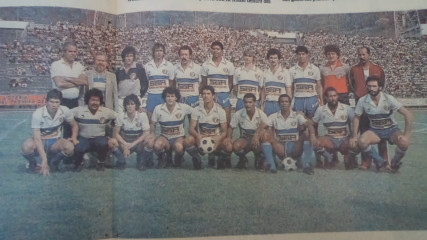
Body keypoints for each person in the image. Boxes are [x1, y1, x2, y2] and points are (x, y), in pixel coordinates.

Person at [350, 76, 412, 172]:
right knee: (361, 141)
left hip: (391, 129)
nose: (371, 89)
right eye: (369, 86)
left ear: (380, 87)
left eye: (374, 86)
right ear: (366, 86)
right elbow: (356, 117)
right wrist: (354, 136)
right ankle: (379, 161)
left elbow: (407, 114)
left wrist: (407, 135)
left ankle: (394, 163)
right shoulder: (363, 100)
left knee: (404, 143)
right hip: (375, 131)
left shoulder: (389, 98)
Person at [21, 89, 78, 176]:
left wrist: (74, 137)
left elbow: (74, 125)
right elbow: (37, 138)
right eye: (51, 102)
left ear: (60, 102)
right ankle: (33, 164)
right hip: (41, 140)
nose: (54, 105)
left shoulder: (65, 110)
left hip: (55, 141)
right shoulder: (37, 114)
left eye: (57, 102)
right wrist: (44, 159)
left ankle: (54, 163)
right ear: (46, 101)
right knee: (26, 146)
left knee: (70, 147)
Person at [350, 46, 388, 170]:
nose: (361, 57)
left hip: (377, 107)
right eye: (359, 55)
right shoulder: (354, 69)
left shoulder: (378, 69)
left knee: (381, 134)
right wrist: (358, 93)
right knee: (364, 133)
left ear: (369, 55)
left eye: (364, 54)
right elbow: (351, 84)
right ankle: (366, 161)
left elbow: (382, 84)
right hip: (362, 106)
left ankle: (384, 161)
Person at [261, 94, 315, 174]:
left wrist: (313, 135)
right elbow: (262, 125)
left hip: (295, 148)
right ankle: (271, 166)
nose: (284, 103)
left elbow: (309, 125)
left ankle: (307, 165)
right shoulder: (274, 116)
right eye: (282, 102)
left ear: (290, 104)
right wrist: (256, 135)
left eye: (286, 101)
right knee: (266, 134)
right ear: (279, 104)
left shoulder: (296, 115)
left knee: (307, 134)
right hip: (281, 148)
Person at [311, 87, 358, 169]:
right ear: (326, 97)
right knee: (316, 143)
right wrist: (313, 135)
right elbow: (313, 124)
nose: (333, 98)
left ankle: (349, 157)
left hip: (344, 139)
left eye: (335, 96)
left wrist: (353, 136)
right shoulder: (321, 110)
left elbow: (355, 121)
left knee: (357, 143)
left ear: (337, 96)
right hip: (330, 140)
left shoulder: (347, 108)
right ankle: (329, 157)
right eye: (330, 96)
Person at [72, 88, 117, 171]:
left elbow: (119, 117)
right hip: (84, 138)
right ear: (87, 100)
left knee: (104, 143)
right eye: (92, 100)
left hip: (99, 138)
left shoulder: (106, 111)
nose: (95, 103)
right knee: (78, 147)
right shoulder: (78, 110)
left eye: (97, 100)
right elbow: (66, 115)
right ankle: (79, 163)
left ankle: (100, 162)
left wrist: (113, 135)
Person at [184, 86, 228, 169]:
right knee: (187, 141)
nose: (206, 96)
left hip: (215, 138)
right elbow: (191, 128)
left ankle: (220, 160)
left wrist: (219, 138)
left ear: (213, 96)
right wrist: (197, 136)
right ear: (201, 96)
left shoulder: (220, 111)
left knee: (228, 145)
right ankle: (197, 158)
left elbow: (224, 131)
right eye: (203, 94)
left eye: (208, 94)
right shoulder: (196, 110)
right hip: (202, 137)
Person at [50, 41, 87, 138]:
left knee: (72, 128)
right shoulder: (56, 65)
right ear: (64, 52)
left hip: (75, 101)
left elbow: (83, 81)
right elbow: (59, 83)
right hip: (60, 101)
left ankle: (70, 150)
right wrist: (76, 82)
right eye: (70, 51)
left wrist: (67, 78)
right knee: (58, 128)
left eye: (75, 51)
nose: (73, 54)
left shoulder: (79, 65)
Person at [109, 94, 154, 170]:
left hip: (137, 143)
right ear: (125, 106)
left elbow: (146, 133)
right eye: (128, 104)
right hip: (125, 142)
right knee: (111, 142)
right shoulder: (121, 115)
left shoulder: (142, 115)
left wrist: (133, 144)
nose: (129, 106)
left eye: (132, 104)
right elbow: (116, 133)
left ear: (136, 106)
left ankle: (141, 162)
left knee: (150, 141)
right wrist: (125, 144)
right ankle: (121, 161)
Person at [151, 87, 192, 168]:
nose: (170, 98)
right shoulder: (158, 108)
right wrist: (152, 133)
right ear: (164, 97)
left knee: (179, 147)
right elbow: (153, 123)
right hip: (165, 136)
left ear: (176, 97)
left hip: (178, 137)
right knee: (156, 145)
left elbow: (196, 112)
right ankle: (163, 158)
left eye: (172, 96)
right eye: (168, 96)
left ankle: (178, 159)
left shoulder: (183, 107)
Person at [225, 93, 269, 169]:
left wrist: (257, 135)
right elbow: (231, 127)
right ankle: (243, 159)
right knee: (236, 146)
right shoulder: (239, 113)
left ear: (255, 103)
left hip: (257, 140)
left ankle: (259, 158)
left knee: (264, 141)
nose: (247, 104)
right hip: (245, 139)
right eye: (246, 102)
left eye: (250, 102)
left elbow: (267, 125)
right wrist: (229, 137)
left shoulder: (261, 114)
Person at [201, 41, 234, 125]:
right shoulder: (205, 65)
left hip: (224, 94)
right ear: (211, 50)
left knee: (226, 120)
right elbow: (204, 83)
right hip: (210, 95)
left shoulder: (229, 64)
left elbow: (231, 82)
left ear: (222, 51)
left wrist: (226, 92)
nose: (215, 51)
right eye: (214, 49)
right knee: (211, 118)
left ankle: (226, 137)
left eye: (218, 49)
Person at [290, 46, 323, 118]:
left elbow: (319, 86)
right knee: (299, 122)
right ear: (296, 56)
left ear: (307, 55)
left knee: (314, 121)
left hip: (311, 99)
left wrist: (322, 101)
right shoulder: (292, 70)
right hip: (298, 99)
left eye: (303, 54)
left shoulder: (315, 69)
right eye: (299, 54)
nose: (301, 56)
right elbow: (291, 88)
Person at [144, 43, 175, 120]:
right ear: (153, 52)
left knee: (165, 118)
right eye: (157, 51)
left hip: (163, 96)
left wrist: (166, 92)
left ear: (163, 52)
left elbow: (171, 81)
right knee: (151, 119)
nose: (159, 53)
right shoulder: (147, 66)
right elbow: (146, 81)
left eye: (161, 50)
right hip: (151, 96)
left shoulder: (169, 65)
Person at [115, 46, 148, 114]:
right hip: (121, 99)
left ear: (133, 57)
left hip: (134, 99)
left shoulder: (139, 68)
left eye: (131, 56)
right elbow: (116, 86)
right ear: (123, 57)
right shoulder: (118, 70)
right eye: (127, 56)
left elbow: (145, 84)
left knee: (135, 119)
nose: (129, 58)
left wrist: (138, 96)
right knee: (120, 119)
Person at [262, 48, 292, 116]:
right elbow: (263, 90)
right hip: (268, 103)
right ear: (268, 59)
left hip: (280, 104)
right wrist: (262, 104)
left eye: (275, 58)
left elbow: (288, 89)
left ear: (278, 59)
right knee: (268, 125)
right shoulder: (265, 72)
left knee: (280, 125)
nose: (273, 60)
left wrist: (289, 105)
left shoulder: (285, 72)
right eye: (271, 58)